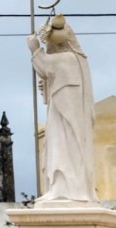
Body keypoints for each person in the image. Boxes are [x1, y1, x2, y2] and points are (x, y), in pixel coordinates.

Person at [28, 14, 96, 203]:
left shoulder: (68, 58)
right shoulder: (79, 60)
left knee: (62, 149)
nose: (49, 49)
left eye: (51, 45)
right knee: (58, 148)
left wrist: (34, 48)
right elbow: (50, 73)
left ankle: (65, 190)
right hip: (61, 112)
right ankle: (59, 188)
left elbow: (45, 66)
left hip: (66, 116)